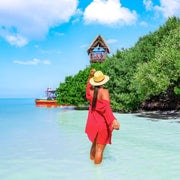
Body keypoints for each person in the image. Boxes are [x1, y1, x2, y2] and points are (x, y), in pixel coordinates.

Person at [85, 69, 120, 164]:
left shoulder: (90, 92)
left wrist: (90, 76)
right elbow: (107, 108)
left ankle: (90, 171)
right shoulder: (104, 92)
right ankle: (98, 173)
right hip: (101, 125)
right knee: (99, 151)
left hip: (93, 123)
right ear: (103, 81)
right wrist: (113, 120)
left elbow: (88, 88)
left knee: (94, 146)